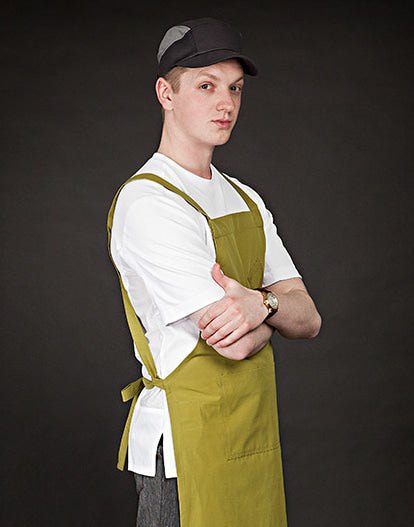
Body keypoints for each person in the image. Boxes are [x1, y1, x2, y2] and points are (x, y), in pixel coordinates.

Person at [107, 17, 321, 527]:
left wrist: (260, 304)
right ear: (166, 93)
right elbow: (235, 344)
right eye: (206, 86)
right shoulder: (150, 202)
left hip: (251, 435)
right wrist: (271, 310)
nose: (225, 103)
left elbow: (309, 318)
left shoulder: (245, 198)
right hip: (183, 448)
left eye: (234, 88)